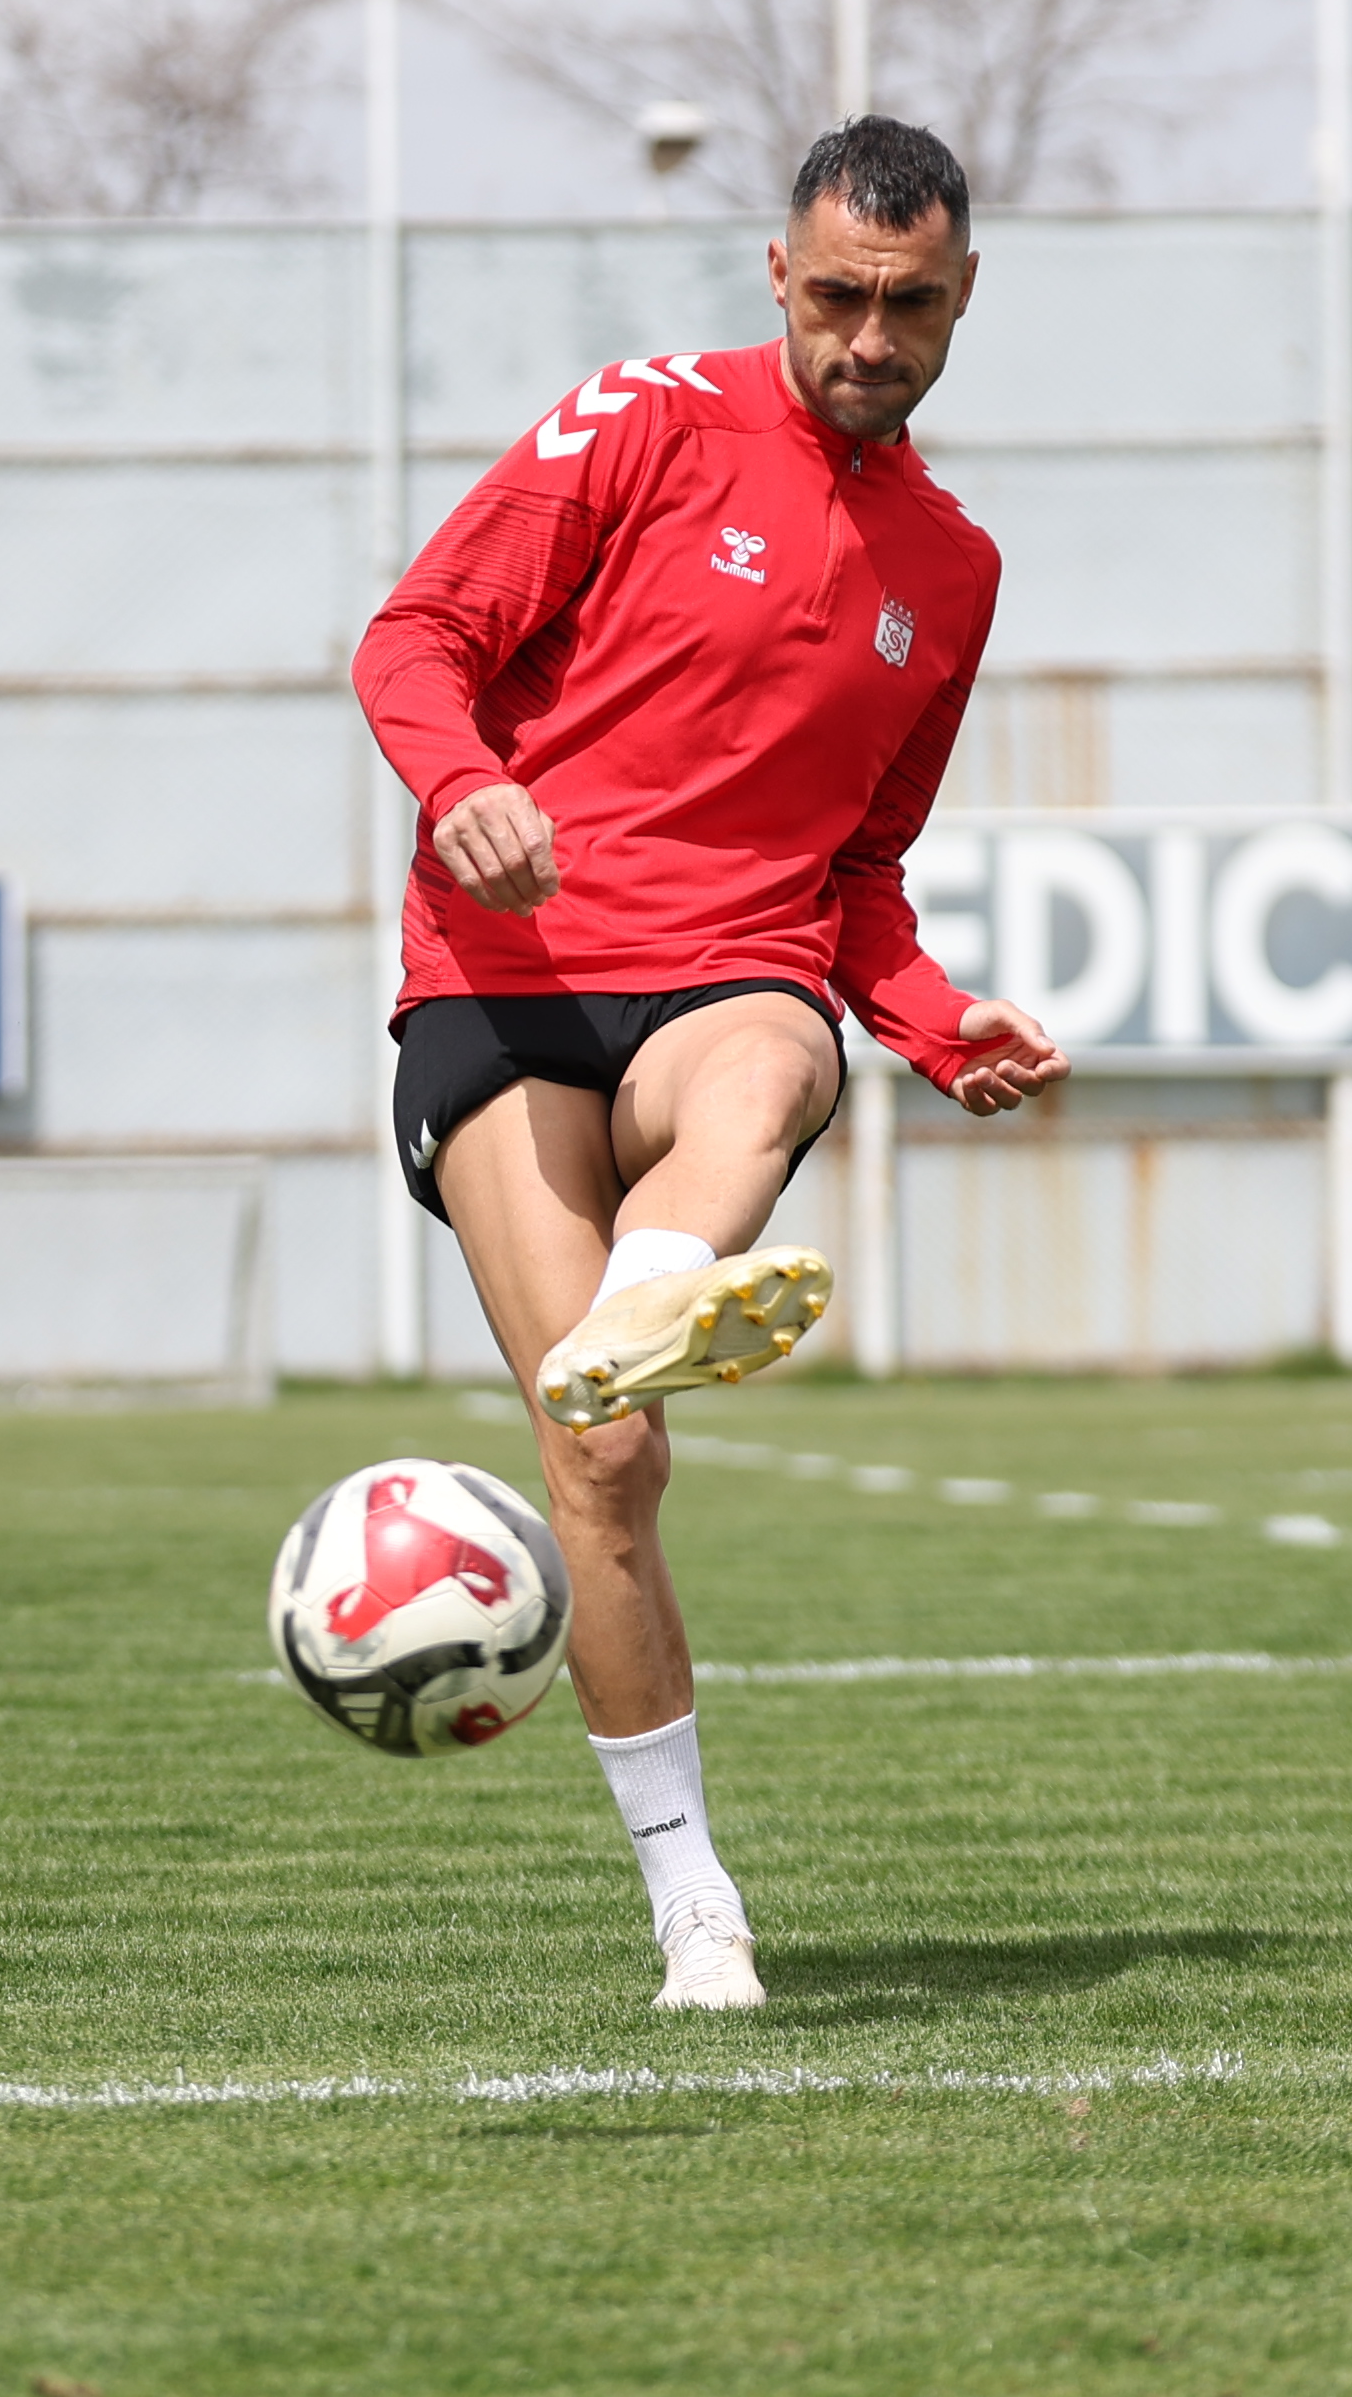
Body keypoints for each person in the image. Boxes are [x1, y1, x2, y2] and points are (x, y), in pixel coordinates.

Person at [353, 117, 1067, 2010]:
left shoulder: (955, 566)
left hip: (727, 972)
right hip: (502, 978)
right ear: (778, 274)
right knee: (602, 1460)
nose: (867, 333)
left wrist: (930, 1018)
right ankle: (688, 1893)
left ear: (960, 297)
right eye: (835, 294)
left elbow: (856, 874)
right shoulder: (645, 417)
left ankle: (655, 1295)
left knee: (764, 1062)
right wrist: (466, 782)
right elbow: (414, 635)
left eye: (907, 304)